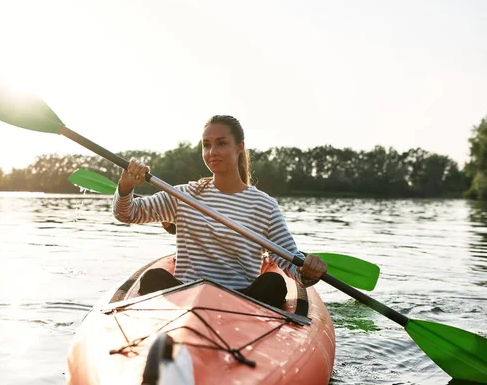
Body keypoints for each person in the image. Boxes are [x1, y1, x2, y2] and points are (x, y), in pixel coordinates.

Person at [113, 115, 327, 308]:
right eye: (206, 145)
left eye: (221, 143)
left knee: (274, 283)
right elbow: (127, 213)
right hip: (186, 296)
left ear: (239, 147)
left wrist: (308, 272)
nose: (212, 152)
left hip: (241, 298)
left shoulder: (264, 205)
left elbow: (290, 263)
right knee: (153, 277)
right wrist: (125, 186)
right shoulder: (184, 195)